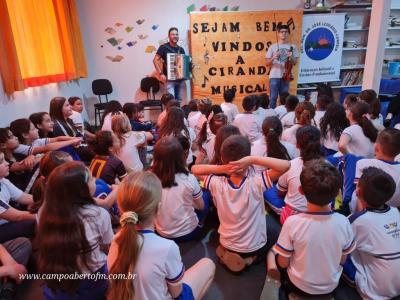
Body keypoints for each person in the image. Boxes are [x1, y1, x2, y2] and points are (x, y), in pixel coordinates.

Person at [107, 171, 215, 299]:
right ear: (158, 208)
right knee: (208, 264)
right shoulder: (167, 247)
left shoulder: (115, 241)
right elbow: (176, 292)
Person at [192, 135, 290, 272]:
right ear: (247, 158)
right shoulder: (257, 182)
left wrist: (223, 168)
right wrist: (252, 159)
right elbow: (286, 165)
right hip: (252, 247)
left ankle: (229, 253)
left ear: (222, 158)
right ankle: (251, 259)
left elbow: (195, 169)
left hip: (226, 242)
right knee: (274, 233)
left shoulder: (216, 183)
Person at [271, 159, 355, 297]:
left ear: (300, 191)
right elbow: (342, 260)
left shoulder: (292, 222)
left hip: (298, 285)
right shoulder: (344, 222)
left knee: (273, 252)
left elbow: (283, 263)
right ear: (337, 193)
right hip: (331, 286)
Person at [37, 162, 114, 299]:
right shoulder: (98, 214)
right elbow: (109, 246)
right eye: (91, 178)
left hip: (56, 279)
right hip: (92, 280)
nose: (95, 180)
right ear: (81, 189)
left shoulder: (43, 212)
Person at [343, 167, 400, 300]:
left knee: (340, 251)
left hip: (375, 292)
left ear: (357, 191)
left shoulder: (356, 221)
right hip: (396, 286)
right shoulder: (395, 212)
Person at [152, 137, 209, 241]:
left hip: (160, 232)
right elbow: (200, 207)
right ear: (181, 156)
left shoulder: (149, 178)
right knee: (206, 195)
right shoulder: (189, 178)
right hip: (188, 233)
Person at [264, 126, 323, 224]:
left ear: (297, 145)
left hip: (292, 216)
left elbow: (280, 192)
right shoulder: (329, 166)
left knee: (266, 187)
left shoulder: (290, 165)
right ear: (320, 143)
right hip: (322, 213)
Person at [0, 151, 36, 243]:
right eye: (1, 161)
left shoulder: (3, 181)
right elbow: (17, 217)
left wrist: (52, 201)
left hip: (7, 223)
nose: (7, 163)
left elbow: (25, 198)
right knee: (36, 222)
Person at [266, 24, 299, 109]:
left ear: (288, 33)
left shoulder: (293, 47)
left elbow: (295, 62)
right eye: (282, 32)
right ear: (278, 33)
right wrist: (274, 57)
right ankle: (272, 115)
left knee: (284, 99)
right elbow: (266, 63)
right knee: (273, 97)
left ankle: (283, 115)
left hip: (286, 76)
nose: (284, 34)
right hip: (274, 75)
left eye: (286, 32)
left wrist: (291, 57)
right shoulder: (272, 46)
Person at [153, 27, 186, 101]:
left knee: (178, 100)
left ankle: (177, 112)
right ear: (169, 36)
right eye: (173, 34)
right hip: (169, 79)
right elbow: (155, 60)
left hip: (179, 79)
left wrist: (188, 71)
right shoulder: (163, 47)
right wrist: (161, 73)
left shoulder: (181, 49)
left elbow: (184, 63)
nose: (175, 36)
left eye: (176, 34)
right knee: (171, 101)